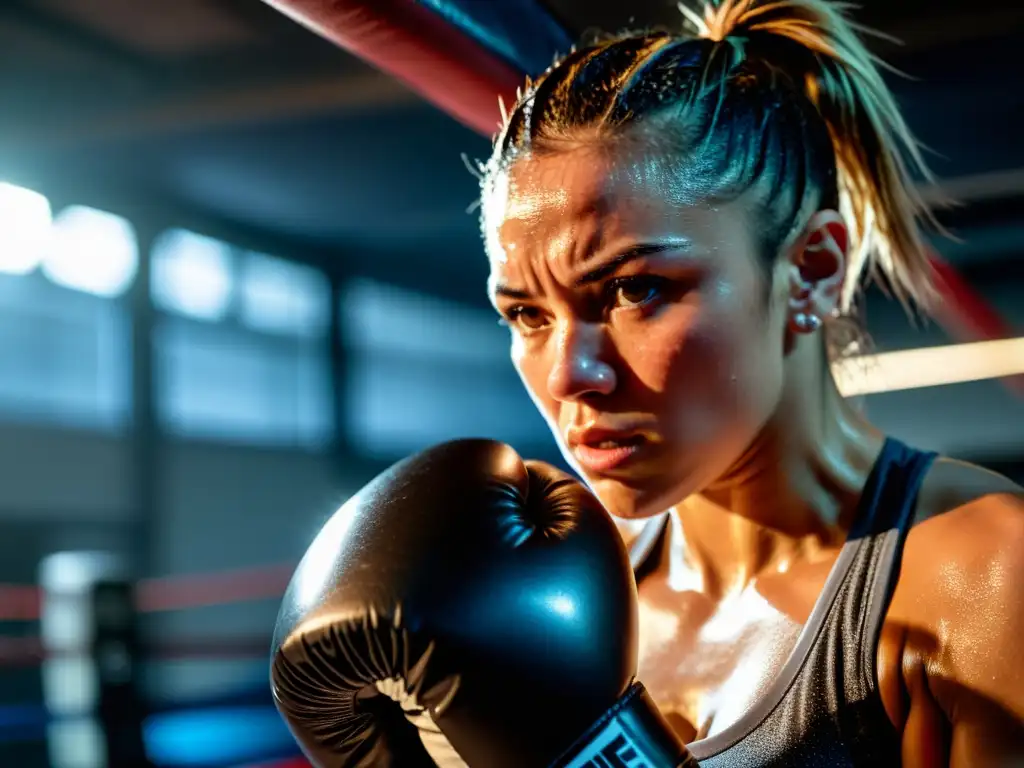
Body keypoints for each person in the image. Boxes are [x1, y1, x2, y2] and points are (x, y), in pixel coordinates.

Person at [475, 0, 1024, 765]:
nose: (570, 373)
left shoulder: (986, 578)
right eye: (528, 315)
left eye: (636, 290)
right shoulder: (563, 599)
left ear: (812, 270)